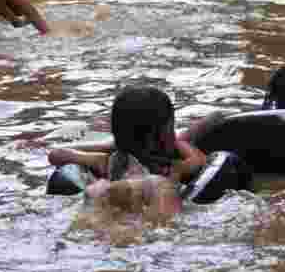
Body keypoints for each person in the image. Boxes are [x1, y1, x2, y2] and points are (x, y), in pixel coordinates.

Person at [49, 85, 208, 216]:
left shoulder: (104, 162)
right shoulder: (173, 168)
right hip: (159, 215)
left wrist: (107, 145)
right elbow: (200, 161)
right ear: (165, 133)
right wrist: (179, 142)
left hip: (111, 216)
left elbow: (56, 154)